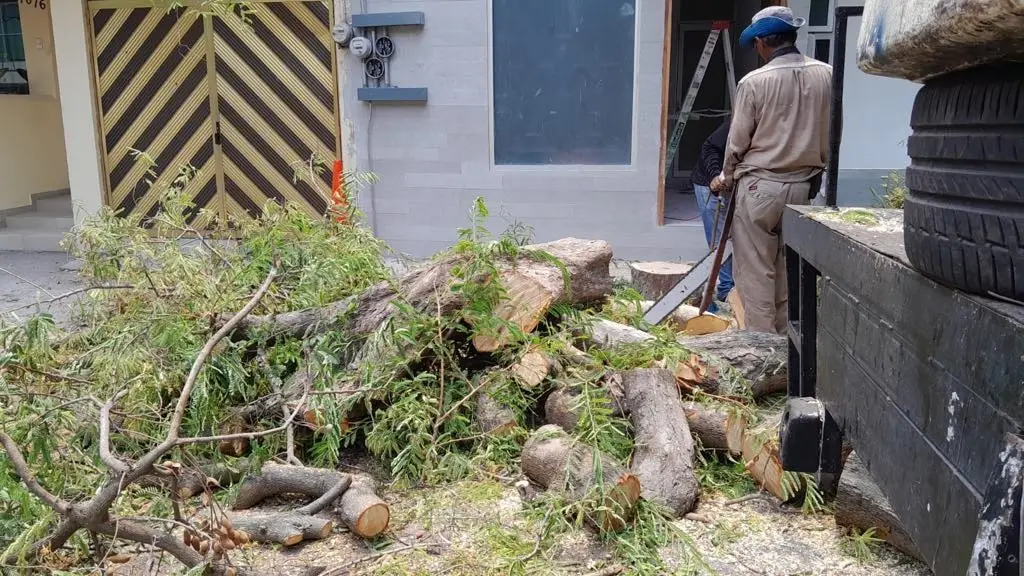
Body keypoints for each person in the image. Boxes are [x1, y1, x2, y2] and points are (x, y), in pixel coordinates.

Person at [710, 6, 831, 334]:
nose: (757, 52)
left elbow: (736, 144)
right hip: (805, 187)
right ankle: (786, 349)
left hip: (760, 187)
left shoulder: (755, 81)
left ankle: (761, 349)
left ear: (763, 42)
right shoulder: (827, 74)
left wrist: (724, 179)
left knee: (756, 274)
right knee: (788, 270)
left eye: (756, 46)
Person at [691, 117, 733, 313]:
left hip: (740, 187)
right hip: (711, 182)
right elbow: (708, 148)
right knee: (719, 240)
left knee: (736, 238)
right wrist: (715, 175)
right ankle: (726, 290)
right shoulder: (739, 120)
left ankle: (731, 288)